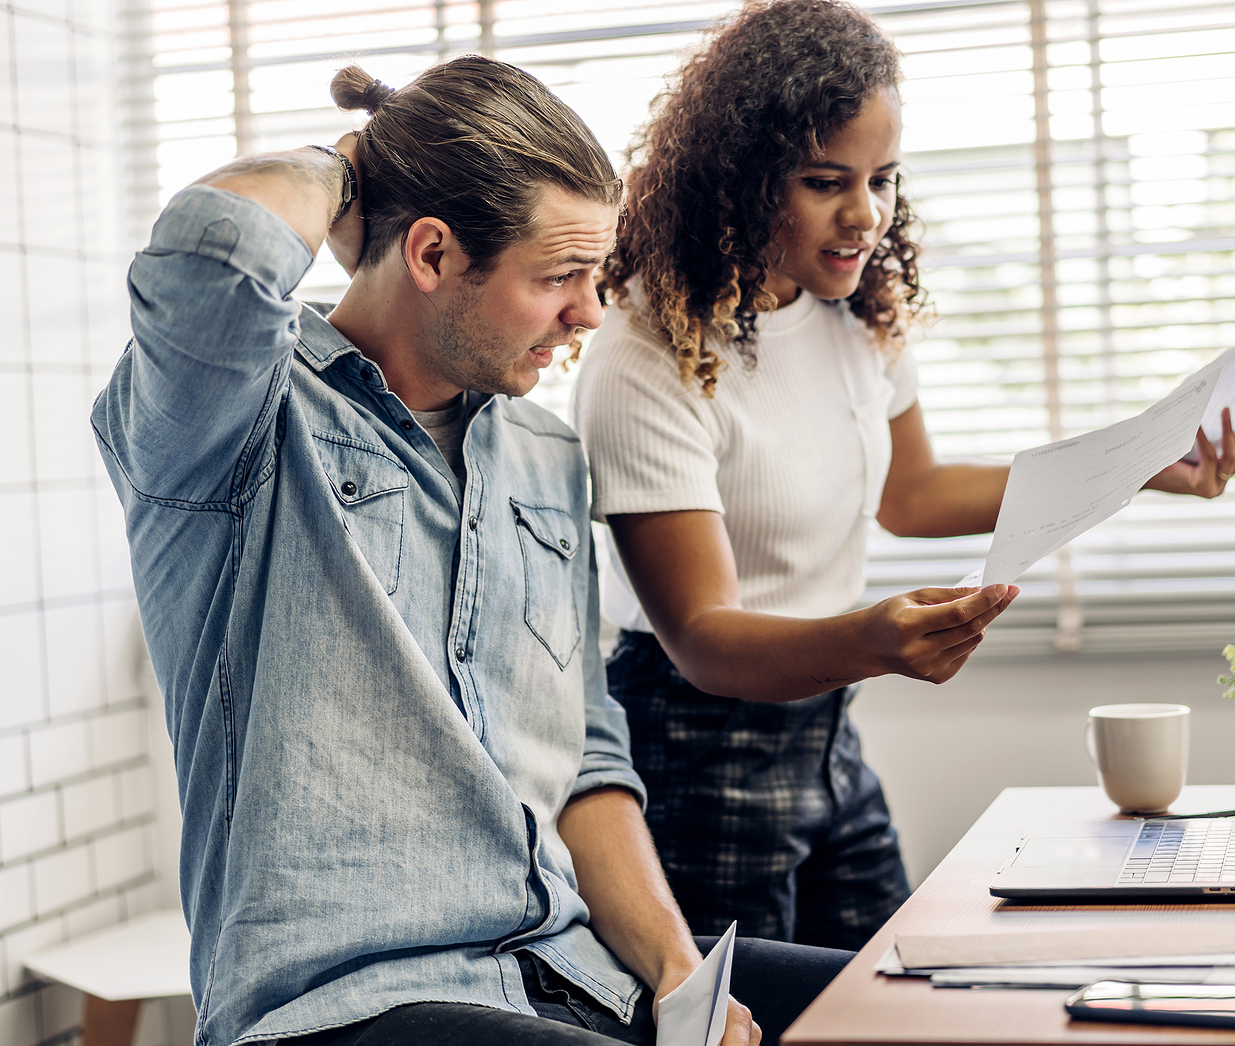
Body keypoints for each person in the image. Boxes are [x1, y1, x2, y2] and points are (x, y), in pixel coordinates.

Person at [92, 56, 850, 1046]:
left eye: (593, 274)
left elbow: (583, 751)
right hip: (346, 1003)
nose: (589, 310)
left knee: (908, 1004)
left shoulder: (543, 453)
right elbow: (216, 244)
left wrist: (676, 973)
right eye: (557, 277)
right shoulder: (230, 425)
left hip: (564, 961)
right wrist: (355, 160)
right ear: (434, 253)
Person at [570, 0, 1235, 951]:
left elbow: (913, 495)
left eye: (883, 178)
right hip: (698, 751)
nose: (867, 215)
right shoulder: (650, 352)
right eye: (826, 182)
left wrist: (1141, 463)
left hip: (826, 732)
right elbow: (704, 641)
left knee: (892, 995)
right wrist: (878, 639)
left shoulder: (851, 314)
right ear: (737, 182)